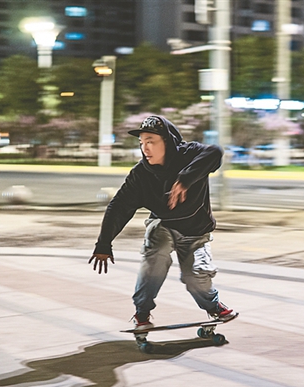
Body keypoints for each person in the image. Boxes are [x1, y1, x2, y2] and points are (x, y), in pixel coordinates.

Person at [89, 115, 237, 330]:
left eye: (151, 141)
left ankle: (213, 306)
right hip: (163, 224)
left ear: (167, 141)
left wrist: (186, 179)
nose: (145, 148)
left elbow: (215, 152)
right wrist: (104, 243)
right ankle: (142, 312)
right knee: (155, 258)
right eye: (142, 143)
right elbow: (119, 207)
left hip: (196, 231)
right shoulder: (140, 175)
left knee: (195, 276)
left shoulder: (189, 154)